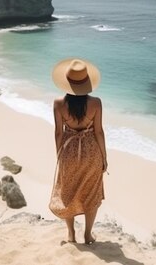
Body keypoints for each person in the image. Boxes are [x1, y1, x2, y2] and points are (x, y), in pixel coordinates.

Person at [49, 58, 108, 245]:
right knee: (91, 194)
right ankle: (88, 235)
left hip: (69, 151)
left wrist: (60, 155)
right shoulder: (96, 103)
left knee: (67, 192)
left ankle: (71, 234)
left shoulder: (58, 104)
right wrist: (104, 157)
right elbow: (98, 131)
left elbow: (58, 132)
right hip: (91, 152)